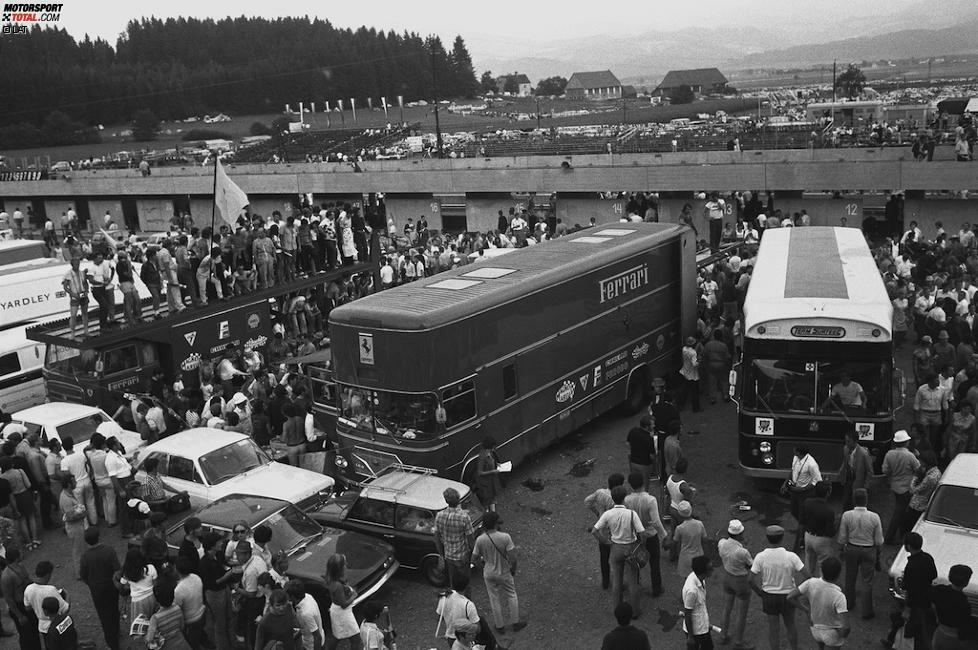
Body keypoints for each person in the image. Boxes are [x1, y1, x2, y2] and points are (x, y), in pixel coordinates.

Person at [750, 525, 809, 650]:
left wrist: (760, 593)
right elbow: (808, 575)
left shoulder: (760, 557)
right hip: (788, 596)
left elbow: (750, 579)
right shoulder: (791, 556)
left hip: (769, 596)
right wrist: (797, 591)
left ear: (767, 538)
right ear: (782, 538)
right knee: (790, 625)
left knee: (773, 629)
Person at [591, 485, 646, 617]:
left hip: (616, 548)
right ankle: (635, 611)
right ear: (624, 499)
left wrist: (605, 541)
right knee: (633, 581)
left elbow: (594, 531)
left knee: (617, 580)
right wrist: (640, 544)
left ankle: (617, 609)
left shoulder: (608, 514)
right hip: (631, 548)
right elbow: (642, 533)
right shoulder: (632, 514)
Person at [471, 511, 523, 637]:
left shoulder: (480, 539)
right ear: (495, 524)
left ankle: (499, 626)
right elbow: (513, 557)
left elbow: (473, 559)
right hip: (504, 571)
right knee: (511, 594)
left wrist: (483, 566)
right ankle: (515, 622)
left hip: (489, 572)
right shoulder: (505, 537)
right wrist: (513, 569)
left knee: (494, 598)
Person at [883, 532, 937, 649]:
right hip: (926, 599)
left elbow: (909, 590)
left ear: (909, 546)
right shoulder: (928, 558)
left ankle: (895, 642)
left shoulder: (911, 566)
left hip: (915, 603)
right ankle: (891, 640)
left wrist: (907, 608)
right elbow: (933, 575)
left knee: (915, 626)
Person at [836, 488, 883, 619]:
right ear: (866, 500)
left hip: (851, 549)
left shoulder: (847, 515)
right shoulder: (874, 517)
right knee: (867, 581)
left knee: (850, 578)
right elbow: (879, 541)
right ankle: (867, 611)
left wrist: (841, 550)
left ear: (854, 500)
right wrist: (878, 555)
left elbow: (842, 537)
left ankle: (849, 603)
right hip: (869, 550)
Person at [788, 556, 850, 650]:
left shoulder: (810, 583)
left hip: (815, 630)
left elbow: (790, 597)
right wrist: (841, 635)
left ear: (821, 570)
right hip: (832, 634)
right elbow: (846, 627)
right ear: (838, 575)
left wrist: (806, 610)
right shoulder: (839, 596)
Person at [624, 472, 667, 598]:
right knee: (654, 563)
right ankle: (656, 588)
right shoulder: (650, 500)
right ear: (643, 482)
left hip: (635, 535)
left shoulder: (627, 500)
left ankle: (635, 586)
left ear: (631, 485)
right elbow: (656, 521)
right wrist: (664, 535)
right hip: (650, 535)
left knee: (635, 561)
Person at [79, 527, 120, 650]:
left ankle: (112, 643)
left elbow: (83, 575)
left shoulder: (85, 556)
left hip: (97, 590)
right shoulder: (109, 551)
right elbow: (117, 570)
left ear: (86, 541)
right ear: (99, 537)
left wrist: (91, 584)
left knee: (104, 616)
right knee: (114, 609)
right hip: (111, 587)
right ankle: (116, 632)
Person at [717, 519, 753, 650]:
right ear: (739, 534)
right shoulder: (742, 552)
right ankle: (738, 641)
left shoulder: (722, 544)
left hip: (727, 577)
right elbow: (751, 566)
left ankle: (723, 635)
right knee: (741, 613)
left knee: (727, 608)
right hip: (740, 581)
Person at [585, 473, 624, 590]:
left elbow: (587, 501)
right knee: (618, 560)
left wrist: (597, 513)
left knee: (604, 558)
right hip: (614, 533)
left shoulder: (600, 492)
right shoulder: (615, 500)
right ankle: (619, 583)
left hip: (602, 531)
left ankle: (605, 582)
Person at [434, 487, 475, 594]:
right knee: (466, 583)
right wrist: (474, 554)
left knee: (454, 584)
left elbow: (437, 537)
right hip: (462, 555)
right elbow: (471, 538)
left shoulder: (439, 516)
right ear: (458, 500)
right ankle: (467, 605)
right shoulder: (464, 517)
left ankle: (456, 604)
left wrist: (441, 554)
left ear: (446, 501)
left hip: (448, 555)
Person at [882, 430, 920, 544]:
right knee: (899, 513)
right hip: (907, 488)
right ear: (906, 442)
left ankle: (903, 532)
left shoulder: (889, 454)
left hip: (895, 487)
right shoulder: (909, 456)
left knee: (901, 511)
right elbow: (918, 469)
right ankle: (889, 537)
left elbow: (885, 470)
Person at [1, 547, 41, 650]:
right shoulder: (6, 576)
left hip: (28, 603)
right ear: (16, 557)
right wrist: (19, 616)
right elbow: (9, 598)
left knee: (34, 631)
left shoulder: (21, 566)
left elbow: (28, 580)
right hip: (19, 607)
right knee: (26, 636)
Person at [23, 561, 69, 642]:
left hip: (42, 627)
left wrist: (37, 605)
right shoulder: (50, 590)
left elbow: (27, 608)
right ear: (47, 574)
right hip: (56, 625)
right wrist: (68, 596)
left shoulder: (28, 589)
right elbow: (65, 609)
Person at [929, 564, 972, 649]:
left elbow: (930, 602)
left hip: (939, 632)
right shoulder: (964, 603)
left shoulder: (939, 589)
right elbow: (963, 627)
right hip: (953, 638)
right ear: (966, 583)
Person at [325, 554, 362, 649]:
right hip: (342, 613)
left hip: (338, 612)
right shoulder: (337, 585)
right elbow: (344, 604)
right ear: (340, 569)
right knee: (356, 638)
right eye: (344, 564)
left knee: (337, 635)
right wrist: (353, 596)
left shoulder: (334, 580)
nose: (347, 565)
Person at [789, 444, 822, 552]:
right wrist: (786, 483)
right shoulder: (795, 458)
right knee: (793, 511)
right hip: (795, 490)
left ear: (799, 452)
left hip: (805, 493)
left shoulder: (811, 464)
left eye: (795, 450)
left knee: (802, 519)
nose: (793, 451)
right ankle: (807, 525)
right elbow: (793, 470)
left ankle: (801, 540)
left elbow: (817, 480)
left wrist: (802, 489)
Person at [801, 481, 836, 577]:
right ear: (828, 493)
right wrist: (838, 523)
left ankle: (808, 588)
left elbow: (802, 521)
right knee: (824, 569)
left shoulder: (807, 502)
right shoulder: (829, 511)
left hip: (808, 536)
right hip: (822, 540)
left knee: (809, 567)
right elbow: (830, 532)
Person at [145, 582, 192, 650]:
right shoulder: (178, 608)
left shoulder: (155, 618)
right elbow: (182, 626)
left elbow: (150, 639)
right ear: (173, 596)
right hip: (181, 644)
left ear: (156, 600)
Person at [116, 548, 158, 623]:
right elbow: (156, 584)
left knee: (139, 624)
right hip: (152, 597)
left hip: (138, 600)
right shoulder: (151, 568)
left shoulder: (127, 573)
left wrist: (127, 587)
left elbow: (121, 586)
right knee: (152, 620)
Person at [58, 474, 88, 577]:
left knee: (81, 548)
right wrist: (83, 513)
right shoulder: (66, 498)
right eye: (74, 481)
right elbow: (70, 516)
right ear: (69, 484)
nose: (76, 482)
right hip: (74, 527)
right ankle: (79, 573)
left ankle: (82, 570)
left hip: (77, 525)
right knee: (78, 550)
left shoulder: (68, 494)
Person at [682, 555, 715, 650]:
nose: (712, 569)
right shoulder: (692, 591)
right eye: (710, 568)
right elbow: (688, 614)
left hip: (702, 626)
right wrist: (691, 637)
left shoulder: (699, 579)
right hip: (696, 631)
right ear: (703, 572)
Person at [173, 556, 206, 650]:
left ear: (177, 569)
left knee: (192, 645)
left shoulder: (179, 590)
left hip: (191, 621)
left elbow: (178, 610)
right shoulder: (196, 577)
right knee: (199, 637)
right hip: (202, 614)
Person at [285, 580, 325, 650]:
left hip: (312, 646)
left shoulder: (306, 613)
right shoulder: (307, 596)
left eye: (287, 595)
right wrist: (295, 637)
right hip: (309, 641)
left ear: (293, 597)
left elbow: (317, 637)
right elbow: (305, 626)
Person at [906, 450, 941, 531]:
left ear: (926, 462)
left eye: (921, 461)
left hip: (918, 505)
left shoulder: (930, 477)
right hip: (924, 502)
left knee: (910, 525)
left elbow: (914, 490)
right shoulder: (936, 471)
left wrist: (914, 478)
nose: (919, 463)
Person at [671, 501, 707, 579]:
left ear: (679, 514)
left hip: (685, 558)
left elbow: (674, 542)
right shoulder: (699, 524)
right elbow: (704, 540)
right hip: (699, 556)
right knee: (700, 579)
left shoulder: (679, 528)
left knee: (688, 581)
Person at [62, 257, 89, 338]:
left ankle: (86, 330)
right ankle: (72, 333)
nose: (77, 265)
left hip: (83, 295)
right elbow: (65, 287)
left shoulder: (82, 273)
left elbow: (85, 283)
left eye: (78, 264)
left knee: (85, 313)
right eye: (76, 264)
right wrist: (72, 294)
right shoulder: (68, 274)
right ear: (72, 265)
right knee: (73, 315)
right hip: (74, 297)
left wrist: (86, 291)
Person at [86, 250, 115, 328]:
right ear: (95, 259)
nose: (101, 260)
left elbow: (111, 270)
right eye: (99, 259)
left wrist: (109, 279)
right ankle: (102, 325)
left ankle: (105, 322)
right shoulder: (92, 268)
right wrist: (101, 283)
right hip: (97, 289)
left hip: (102, 288)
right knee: (104, 306)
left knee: (106, 306)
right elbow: (91, 280)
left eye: (101, 258)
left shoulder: (101, 266)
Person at [473, 437, 503, 512]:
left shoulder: (490, 453)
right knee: (487, 500)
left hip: (491, 481)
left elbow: (492, 461)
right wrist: (493, 471)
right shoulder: (482, 457)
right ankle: (487, 515)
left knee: (492, 498)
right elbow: (480, 472)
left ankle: (493, 514)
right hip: (485, 483)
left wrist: (497, 464)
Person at [626, 416, 657, 489]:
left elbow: (627, 443)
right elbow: (652, 456)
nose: (654, 426)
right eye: (652, 424)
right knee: (644, 486)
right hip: (645, 466)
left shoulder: (633, 430)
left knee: (636, 484)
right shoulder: (649, 438)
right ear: (647, 427)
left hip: (633, 463)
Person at [679, 337, 701, 412]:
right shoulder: (693, 352)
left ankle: (680, 405)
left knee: (685, 390)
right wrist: (699, 362)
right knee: (695, 392)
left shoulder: (684, 349)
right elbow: (694, 364)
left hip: (685, 371)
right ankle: (696, 408)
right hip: (693, 374)